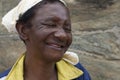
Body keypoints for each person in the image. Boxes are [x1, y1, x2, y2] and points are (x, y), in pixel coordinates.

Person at [0, 0, 91, 80]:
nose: (62, 35)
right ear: (23, 30)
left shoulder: (78, 74)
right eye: (51, 25)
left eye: (67, 28)